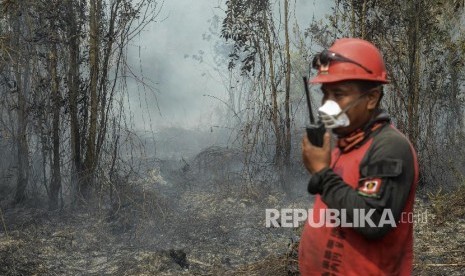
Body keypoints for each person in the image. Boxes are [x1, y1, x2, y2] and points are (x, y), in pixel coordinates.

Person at [298, 38, 419, 275]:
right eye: (325, 94)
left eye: (339, 94)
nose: (327, 105)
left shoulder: (390, 148)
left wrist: (322, 173)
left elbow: (374, 220)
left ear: (372, 98)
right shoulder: (346, 143)